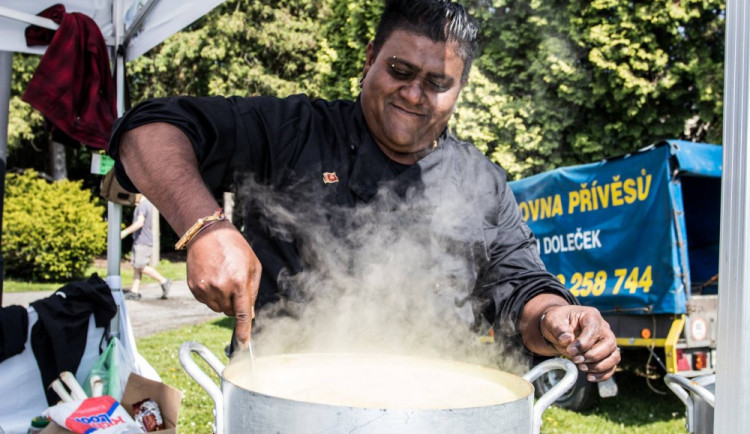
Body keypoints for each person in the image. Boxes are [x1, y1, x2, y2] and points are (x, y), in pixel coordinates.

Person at [108, 0, 619, 381]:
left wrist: (558, 316)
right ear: (371, 58)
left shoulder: (482, 182)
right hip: (286, 402)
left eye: (438, 83)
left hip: (434, 407)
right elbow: (147, 130)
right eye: (400, 70)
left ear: (460, 88)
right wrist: (205, 226)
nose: (414, 95)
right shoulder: (294, 131)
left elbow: (521, 287)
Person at [120, 194, 172, 300]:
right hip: (141, 240)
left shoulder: (143, 205)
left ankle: (164, 281)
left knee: (140, 266)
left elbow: (140, 223)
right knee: (136, 266)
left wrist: (124, 232)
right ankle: (134, 291)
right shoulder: (148, 204)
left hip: (142, 241)